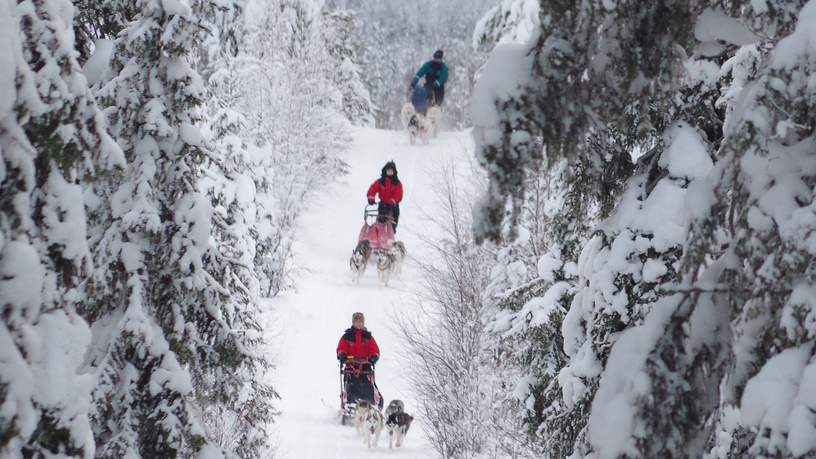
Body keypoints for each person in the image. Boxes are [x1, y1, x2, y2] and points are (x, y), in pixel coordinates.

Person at [337, 312, 382, 408]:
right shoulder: (347, 336)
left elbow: (374, 349)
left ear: (363, 323)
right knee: (351, 384)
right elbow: (341, 347)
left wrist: (374, 356)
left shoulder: (368, 337)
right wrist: (342, 354)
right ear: (353, 322)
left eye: (360, 322)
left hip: (365, 365)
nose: (358, 324)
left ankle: (372, 402)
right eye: (356, 322)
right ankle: (350, 403)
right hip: (351, 365)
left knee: (368, 384)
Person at [367, 161, 403, 232]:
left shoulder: (397, 183)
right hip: (383, 204)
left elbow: (399, 193)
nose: (390, 172)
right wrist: (371, 197)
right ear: (385, 171)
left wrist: (394, 200)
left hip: (393, 205)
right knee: (381, 220)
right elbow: (373, 188)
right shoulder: (380, 181)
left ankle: (392, 231)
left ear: (394, 172)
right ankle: (380, 232)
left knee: (393, 220)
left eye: (391, 171)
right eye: (388, 171)